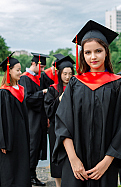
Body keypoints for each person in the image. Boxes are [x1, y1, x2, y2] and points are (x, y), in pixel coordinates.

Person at [52, 20, 121, 187]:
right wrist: (73, 159)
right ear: (82, 55)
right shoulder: (75, 83)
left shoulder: (118, 84)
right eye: (87, 52)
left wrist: (106, 162)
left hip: (105, 163)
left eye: (98, 51)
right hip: (76, 163)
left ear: (106, 52)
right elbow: (63, 123)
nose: (93, 57)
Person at [0, 52, 31, 187]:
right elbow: (0, 119)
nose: (20, 72)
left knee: (22, 167)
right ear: (9, 71)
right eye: (18, 70)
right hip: (9, 140)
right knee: (11, 170)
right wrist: (2, 142)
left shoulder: (20, 89)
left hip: (21, 137)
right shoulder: (3, 92)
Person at [19, 52, 49, 186]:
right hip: (31, 118)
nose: (42, 69)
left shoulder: (39, 77)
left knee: (37, 146)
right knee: (32, 146)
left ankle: (32, 175)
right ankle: (28, 176)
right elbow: (27, 98)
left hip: (39, 117)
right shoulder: (25, 78)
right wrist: (42, 92)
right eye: (41, 66)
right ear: (33, 64)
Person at [44, 55, 75, 187]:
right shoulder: (52, 89)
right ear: (59, 74)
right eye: (64, 74)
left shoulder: (77, 88)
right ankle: (58, 184)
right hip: (56, 129)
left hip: (73, 128)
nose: (67, 77)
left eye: (70, 74)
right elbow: (48, 111)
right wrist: (59, 100)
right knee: (57, 156)